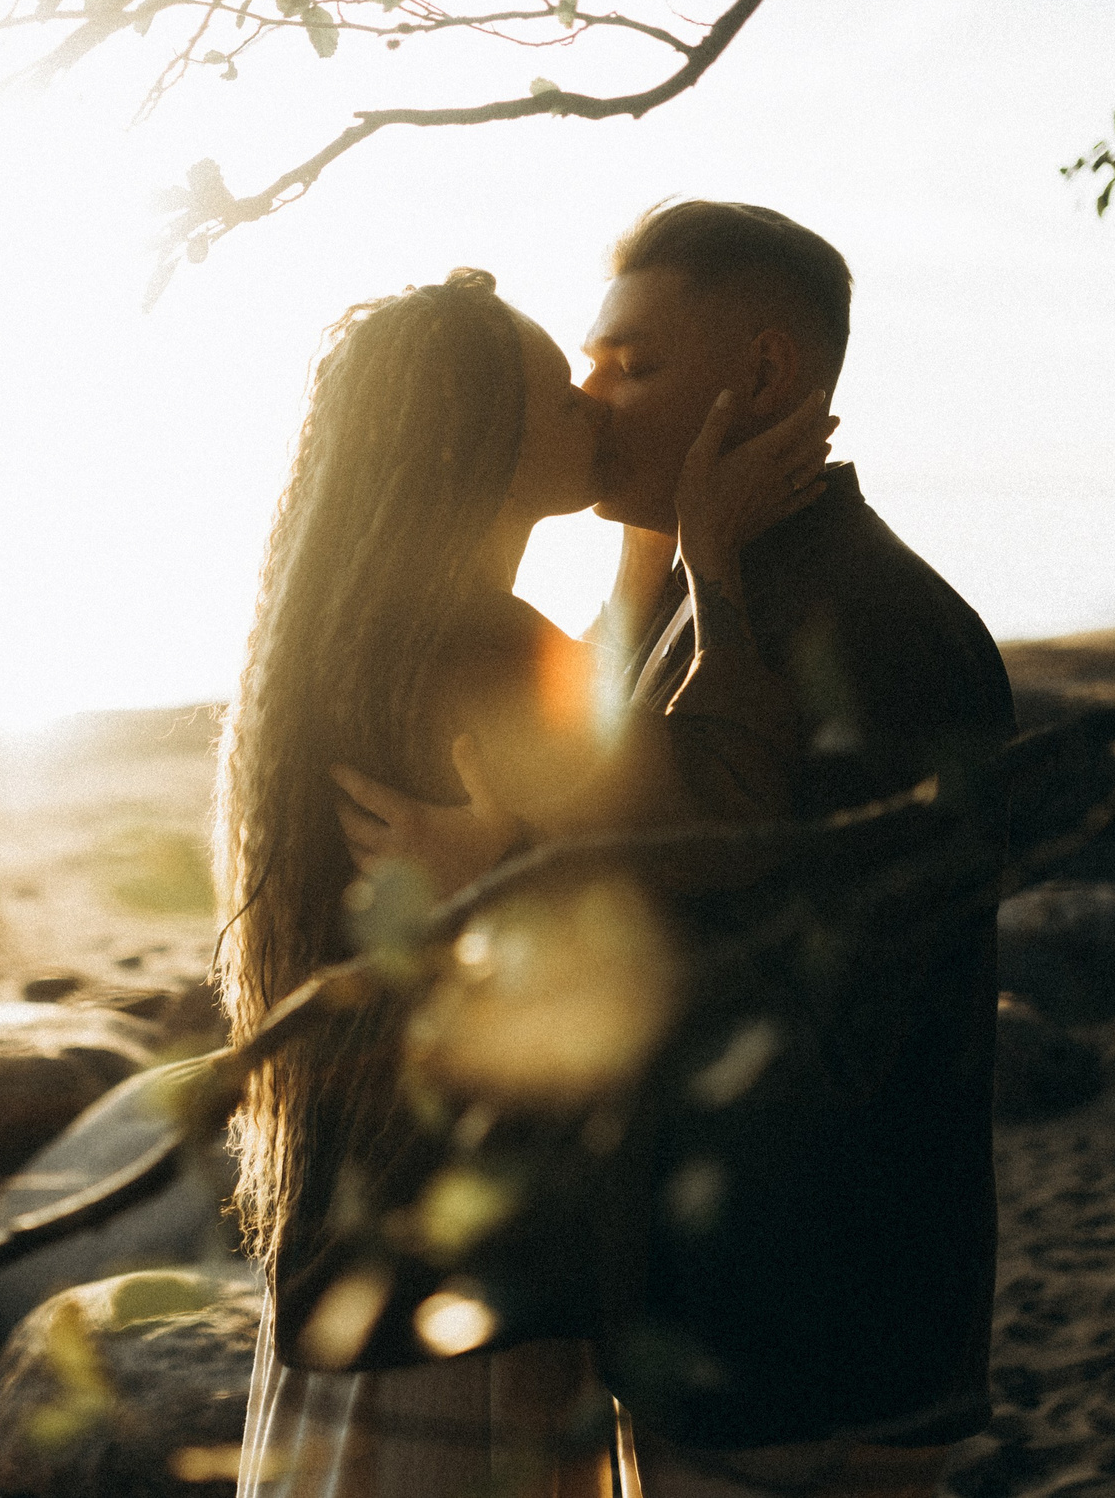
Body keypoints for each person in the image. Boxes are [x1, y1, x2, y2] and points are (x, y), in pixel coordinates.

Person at [330, 203, 1014, 1498]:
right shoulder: (693, 604)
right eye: (588, 367)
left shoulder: (874, 627)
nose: (593, 399)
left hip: (811, 1336)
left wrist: (504, 891)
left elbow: (829, 1017)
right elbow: (641, 825)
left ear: (762, 374)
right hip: (704, 1314)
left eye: (631, 365)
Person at [216, 267, 834, 1498]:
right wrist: (710, 563)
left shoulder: (366, 635)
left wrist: (650, 542)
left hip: (362, 1253)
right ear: (481, 440)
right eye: (561, 395)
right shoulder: (480, 644)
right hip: (459, 1293)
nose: (594, 406)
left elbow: (580, 744)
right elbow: (718, 817)